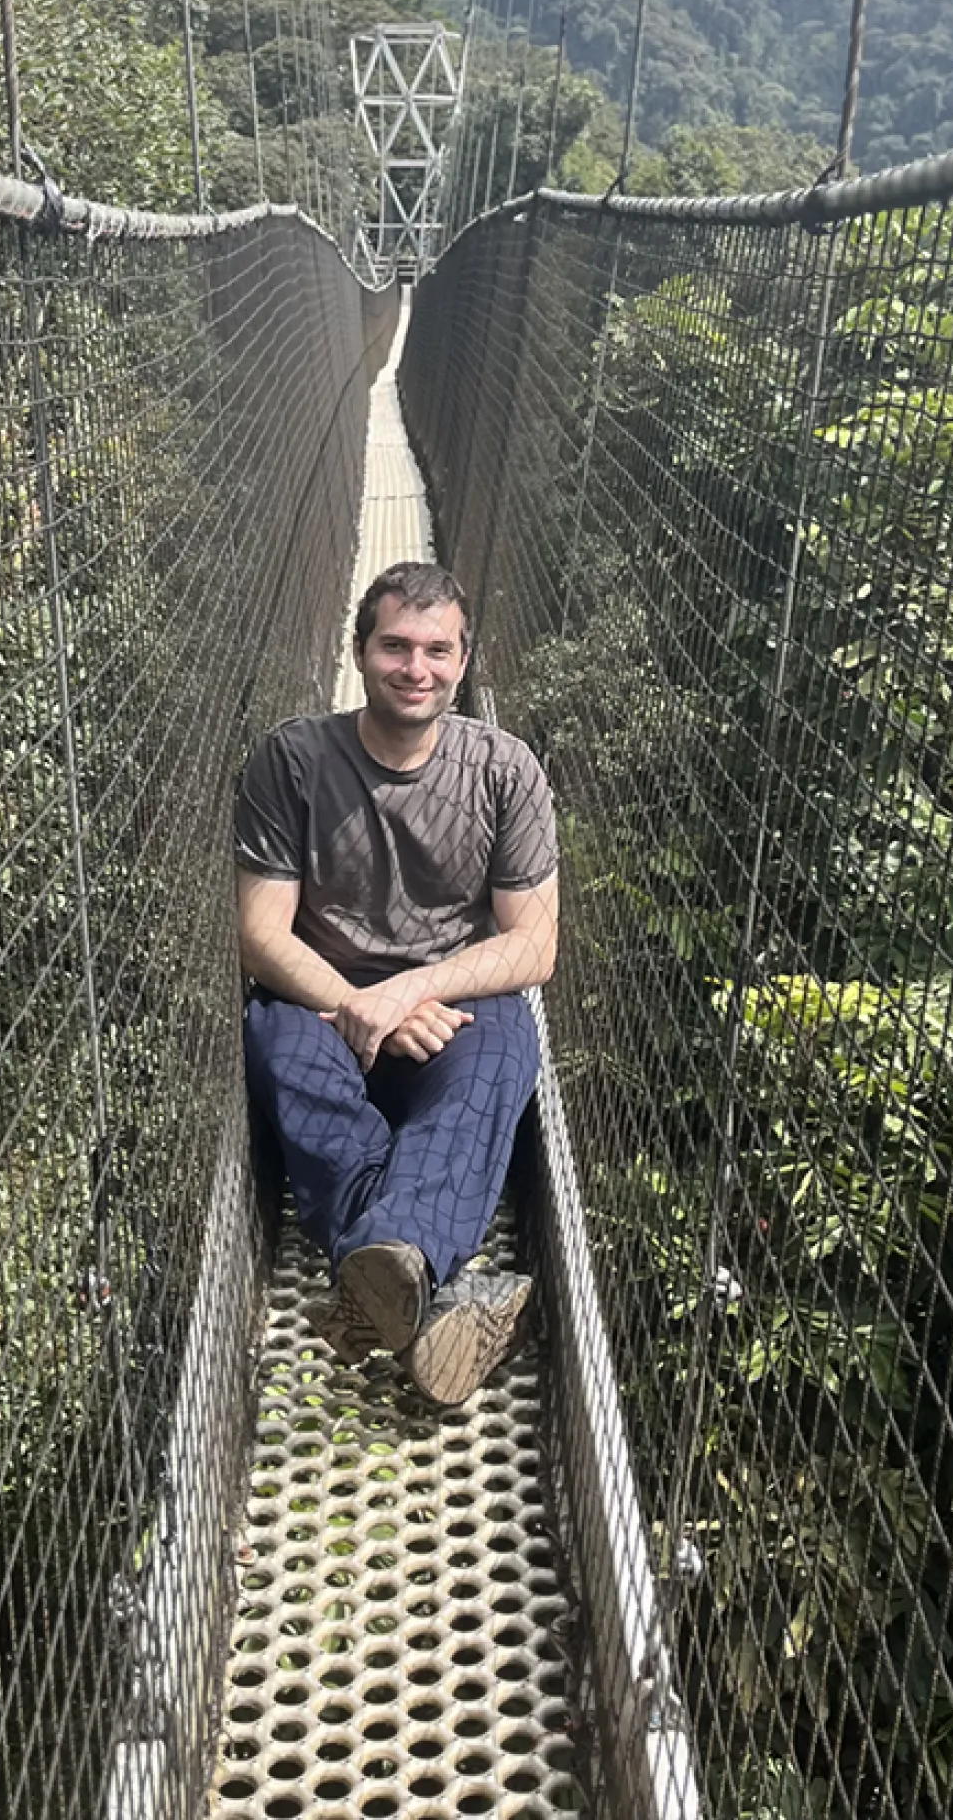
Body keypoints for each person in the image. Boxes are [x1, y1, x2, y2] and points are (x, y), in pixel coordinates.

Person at [233, 561, 559, 1407]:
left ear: (463, 660)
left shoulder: (504, 769)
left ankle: (374, 1276)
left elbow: (535, 946)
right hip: (323, 996)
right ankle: (432, 1290)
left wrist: (412, 994)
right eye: (396, 647)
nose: (417, 668)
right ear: (358, 651)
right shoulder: (294, 760)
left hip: (448, 1001)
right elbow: (262, 933)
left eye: (438, 650)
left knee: (502, 1054)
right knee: (277, 1045)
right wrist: (353, 1002)